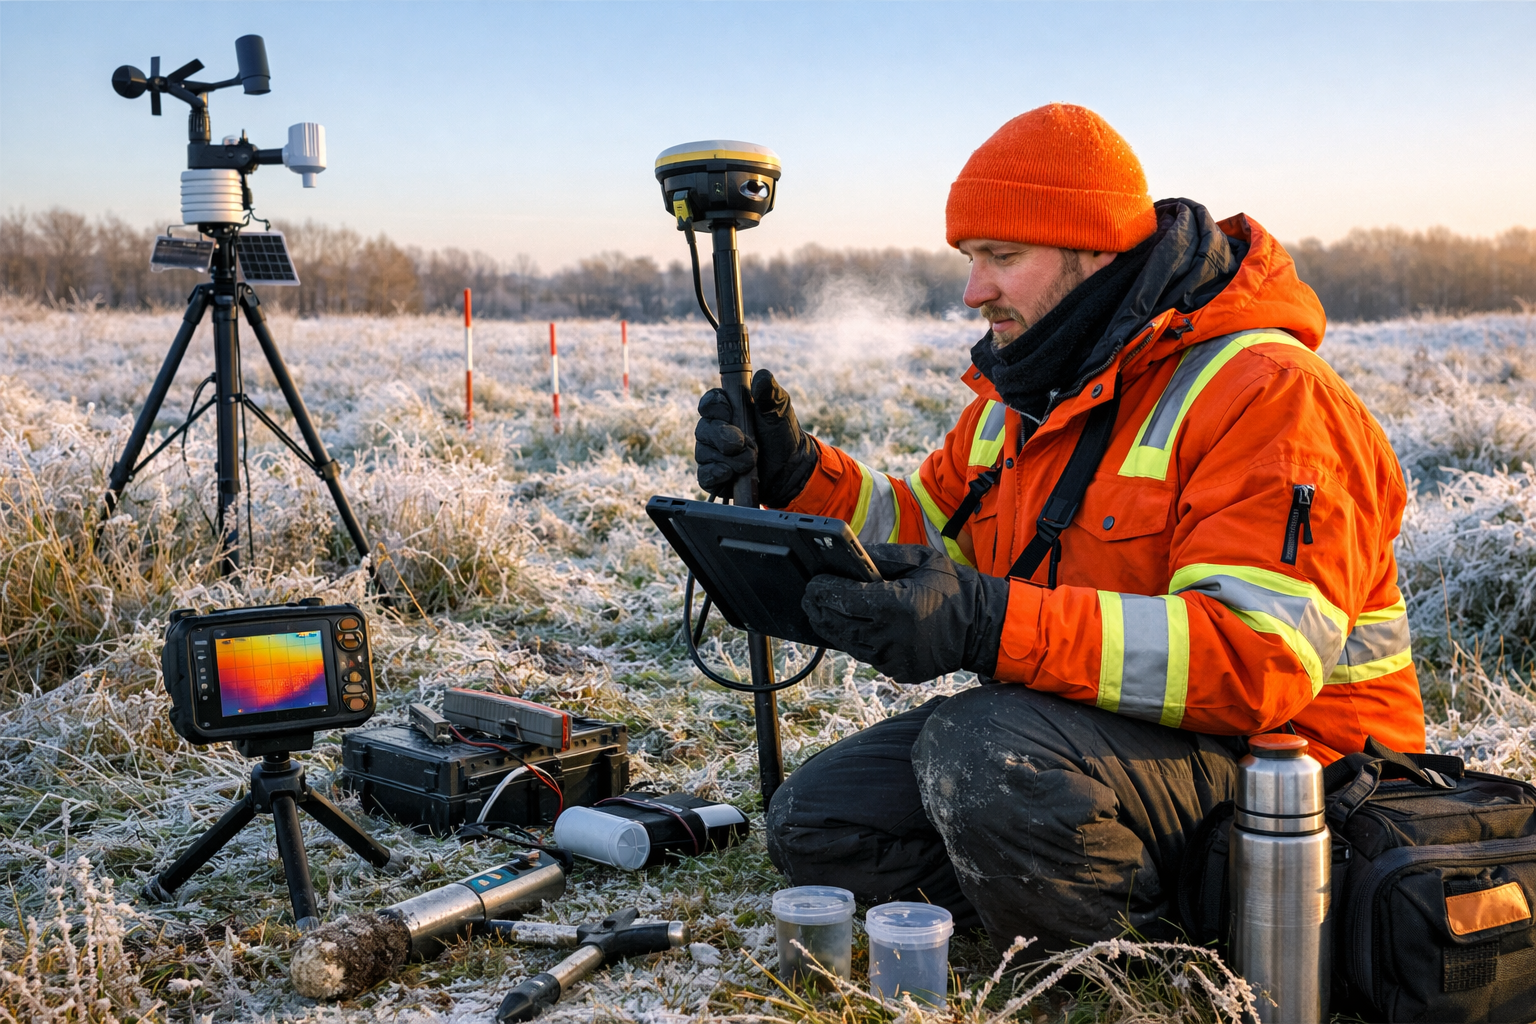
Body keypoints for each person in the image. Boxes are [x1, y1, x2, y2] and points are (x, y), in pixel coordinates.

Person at [692, 103, 1425, 952]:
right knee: (820, 822)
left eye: (1002, 257)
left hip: (1298, 780)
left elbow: (1255, 657)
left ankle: (1160, 969)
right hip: (1095, 736)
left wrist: (987, 624)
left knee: (984, 750)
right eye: (970, 259)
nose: (975, 291)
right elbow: (930, 530)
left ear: (1095, 251)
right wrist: (800, 477)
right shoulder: (1028, 397)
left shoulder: (1269, 393)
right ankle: (1065, 933)